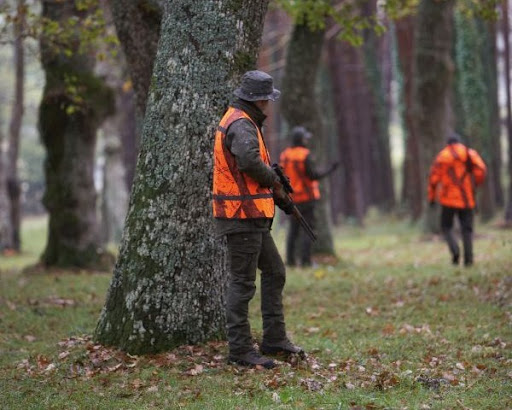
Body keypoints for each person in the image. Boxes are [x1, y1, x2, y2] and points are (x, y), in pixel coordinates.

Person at [212, 70, 304, 369]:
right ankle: (239, 351)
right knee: (242, 284)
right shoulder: (241, 123)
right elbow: (249, 162)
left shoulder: (242, 120)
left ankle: (274, 338)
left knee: (275, 271)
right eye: (268, 99)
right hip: (242, 216)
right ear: (260, 99)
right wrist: (274, 182)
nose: (269, 104)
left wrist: (276, 190)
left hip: (251, 217)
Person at [279, 126, 338, 267]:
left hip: (291, 198)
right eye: (305, 137)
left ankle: (291, 261)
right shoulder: (304, 155)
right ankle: (306, 261)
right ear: (300, 139)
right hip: (307, 198)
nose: (307, 140)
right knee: (307, 229)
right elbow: (313, 175)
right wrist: (330, 169)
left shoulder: (285, 155)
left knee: (293, 230)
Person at [427, 132, 487, 266]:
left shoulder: (443, 156)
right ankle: (468, 260)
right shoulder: (469, 153)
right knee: (467, 229)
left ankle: (454, 250)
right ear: (459, 142)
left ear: (448, 144)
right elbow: (481, 169)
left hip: (448, 199)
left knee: (446, 226)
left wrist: (431, 198)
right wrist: (476, 184)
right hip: (466, 198)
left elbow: (433, 179)